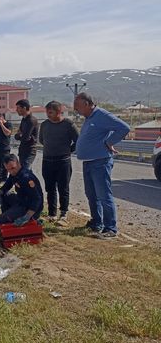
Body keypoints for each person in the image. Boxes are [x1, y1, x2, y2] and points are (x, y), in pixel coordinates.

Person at [74, 92, 130, 238]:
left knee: (103, 195)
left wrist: (109, 142)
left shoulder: (102, 115)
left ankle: (110, 228)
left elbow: (124, 128)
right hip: (89, 161)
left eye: (77, 106)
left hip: (100, 161)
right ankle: (96, 222)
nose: (75, 110)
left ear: (86, 104)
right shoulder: (89, 117)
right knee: (91, 194)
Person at [38, 101, 79, 224]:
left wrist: (68, 151)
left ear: (59, 112)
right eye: (47, 112)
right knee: (50, 188)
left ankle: (64, 213)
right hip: (47, 161)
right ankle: (51, 213)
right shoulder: (45, 125)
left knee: (63, 188)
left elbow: (78, 140)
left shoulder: (68, 124)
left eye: (50, 112)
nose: (48, 115)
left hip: (63, 161)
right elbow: (41, 140)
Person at [0, 154, 43, 226]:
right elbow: (6, 186)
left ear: (18, 164)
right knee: (4, 194)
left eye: (13, 168)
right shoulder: (14, 174)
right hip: (21, 201)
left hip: (29, 208)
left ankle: (26, 219)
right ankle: (10, 215)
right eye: (8, 169)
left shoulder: (26, 178)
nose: (11, 172)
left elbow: (37, 199)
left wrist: (27, 217)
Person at [14, 99, 38, 170]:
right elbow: (17, 135)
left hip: (30, 150)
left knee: (25, 170)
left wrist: (21, 135)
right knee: (26, 172)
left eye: (18, 108)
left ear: (24, 108)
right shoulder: (24, 120)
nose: (16, 110)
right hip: (22, 150)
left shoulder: (31, 120)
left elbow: (25, 137)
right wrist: (20, 135)